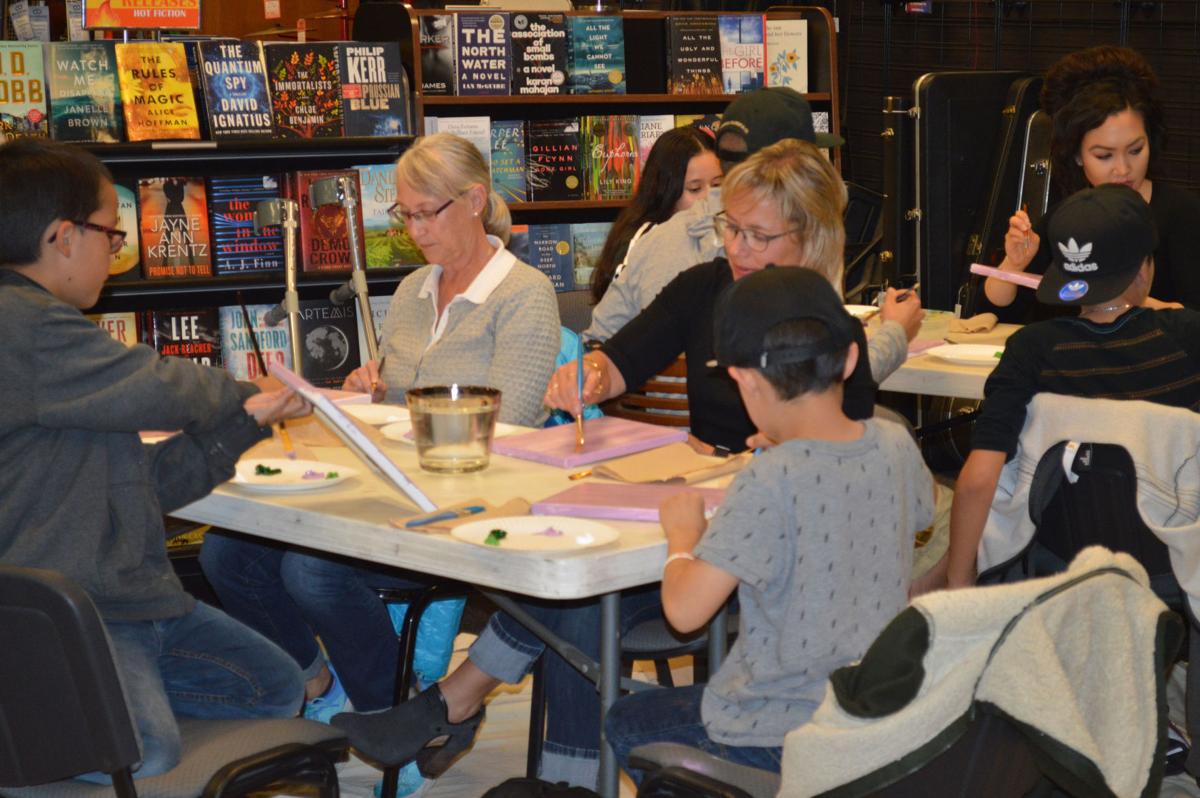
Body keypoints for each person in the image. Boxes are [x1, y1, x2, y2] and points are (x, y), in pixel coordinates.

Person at [329, 137, 906, 789]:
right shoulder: (706, 287)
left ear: (811, 238)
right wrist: (593, 375)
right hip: (699, 515)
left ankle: (466, 714)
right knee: (577, 586)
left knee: (581, 598)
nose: (738, 248)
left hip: (755, 550)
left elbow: (841, 458)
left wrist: (767, 459)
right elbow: (624, 354)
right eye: (731, 228)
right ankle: (526, 757)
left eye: (759, 236)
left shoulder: (829, 333)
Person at [200, 133, 560, 741]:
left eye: (427, 213)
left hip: (467, 501)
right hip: (389, 487)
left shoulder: (526, 294)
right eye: (405, 214)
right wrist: (369, 389)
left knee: (312, 571)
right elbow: (397, 392)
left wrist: (398, 415)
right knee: (226, 552)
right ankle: (319, 684)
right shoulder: (416, 290)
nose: (416, 230)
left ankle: (401, 716)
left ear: (475, 201)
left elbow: (509, 424)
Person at [0, 138, 309, 779]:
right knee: (144, 749)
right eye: (111, 234)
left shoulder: (54, 345)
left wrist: (246, 423)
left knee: (275, 687)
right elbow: (159, 386)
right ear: (63, 237)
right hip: (64, 609)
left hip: (132, 600)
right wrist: (246, 391)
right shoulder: (21, 324)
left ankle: (72, 712)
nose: (116, 252)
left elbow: (143, 485)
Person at [604, 266, 934, 781]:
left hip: (777, 733)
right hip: (869, 717)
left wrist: (683, 539)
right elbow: (924, 507)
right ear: (851, 359)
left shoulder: (769, 477)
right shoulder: (894, 442)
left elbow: (685, 612)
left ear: (744, 380)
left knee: (627, 720)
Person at [938, 183, 1200, 592]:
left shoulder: (1030, 349)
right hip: (1177, 566)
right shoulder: (1186, 337)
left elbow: (978, 480)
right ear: (1144, 268)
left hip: (1057, 567)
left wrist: (958, 582)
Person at [585, 87, 922, 385]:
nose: (738, 247)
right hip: (753, 424)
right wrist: (895, 334)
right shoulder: (791, 247)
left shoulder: (659, 236)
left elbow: (596, 340)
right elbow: (821, 388)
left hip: (645, 425)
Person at [982, 45, 1200, 318]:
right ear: (1077, 155)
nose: (1123, 169)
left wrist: (1121, 298)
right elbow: (997, 309)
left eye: (1135, 150)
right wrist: (1014, 264)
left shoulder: (1183, 214)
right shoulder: (1069, 219)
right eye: (1104, 156)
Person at [589, 126, 721, 304]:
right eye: (695, 189)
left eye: (718, 185)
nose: (709, 197)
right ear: (665, 191)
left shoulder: (724, 233)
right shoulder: (642, 241)